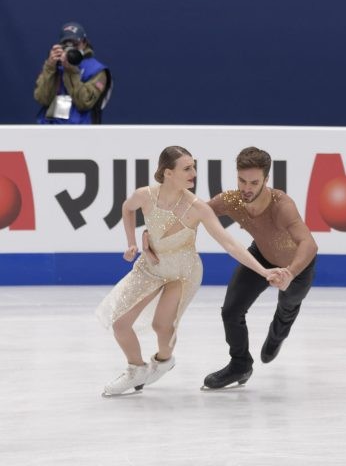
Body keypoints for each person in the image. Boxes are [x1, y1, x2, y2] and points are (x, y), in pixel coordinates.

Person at [96, 146, 286, 397]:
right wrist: (132, 241)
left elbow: (229, 243)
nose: (194, 172)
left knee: (161, 325)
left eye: (194, 166)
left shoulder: (197, 207)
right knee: (120, 324)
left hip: (183, 272)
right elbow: (127, 208)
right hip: (150, 267)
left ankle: (163, 361)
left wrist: (263, 271)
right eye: (187, 168)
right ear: (167, 173)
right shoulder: (144, 196)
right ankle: (137, 369)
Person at [146, 147, 318, 389]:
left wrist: (290, 273)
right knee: (231, 311)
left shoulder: (282, 205)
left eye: (254, 182)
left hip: (297, 267)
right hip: (261, 257)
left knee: (287, 307)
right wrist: (151, 234)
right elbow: (192, 214)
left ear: (266, 180)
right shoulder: (233, 200)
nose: (246, 188)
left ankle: (278, 333)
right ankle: (240, 365)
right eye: (242, 180)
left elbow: (308, 243)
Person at [33, 22, 112, 125]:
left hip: (81, 132)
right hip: (50, 128)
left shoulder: (97, 70)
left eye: (75, 44)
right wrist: (50, 67)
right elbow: (43, 99)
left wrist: (71, 72)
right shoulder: (55, 66)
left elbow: (84, 103)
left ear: (84, 43)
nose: (71, 48)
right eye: (66, 44)